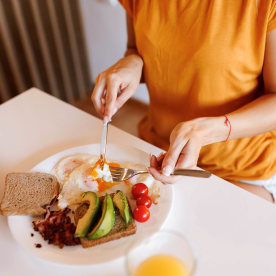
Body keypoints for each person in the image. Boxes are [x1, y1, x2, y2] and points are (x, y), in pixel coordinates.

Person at [91, 1, 276, 203]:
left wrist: (207, 131)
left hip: (243, 173)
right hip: (158, 158)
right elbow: (136, 49)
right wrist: (132, 62)